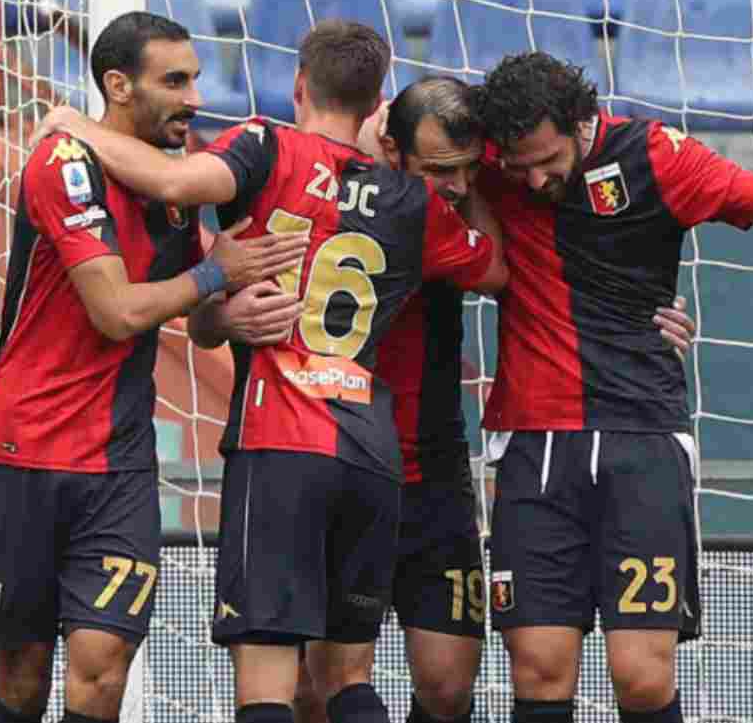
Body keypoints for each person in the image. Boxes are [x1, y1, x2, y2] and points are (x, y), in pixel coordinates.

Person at [30, 20, 509, 723]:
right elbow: (496, 267)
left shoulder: (264, 144)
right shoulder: (414, 204)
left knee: (268, 685)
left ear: (296, 86)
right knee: (348, 678)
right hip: (370, 449)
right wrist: (471, 189)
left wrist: (74, 124)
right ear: (380, 108)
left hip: (279, 439)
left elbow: (171, 178)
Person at [468, 50, 753, 723]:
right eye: (519, 165)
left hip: (643, 438)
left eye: (546, 158)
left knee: (641, 674)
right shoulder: (493, 153)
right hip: (533, 443)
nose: (534, 177)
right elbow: (395, 129)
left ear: (581, 120)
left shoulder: (656, 156)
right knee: (538, 665)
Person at [278, 76, 698, 723]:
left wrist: (640, 318)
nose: (459, 183)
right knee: (316, 686)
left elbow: (511, 265)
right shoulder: (329, 194)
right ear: (393, 148)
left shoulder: (453, 214)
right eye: (442, 170)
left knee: (447, 690)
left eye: (469, 169)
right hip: (337, 459)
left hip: (433, 474)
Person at [0, 11, 306, 723]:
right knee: (22, 681)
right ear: (118, 85)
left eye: (195, 79)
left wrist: (230, 311)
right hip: (23, 450)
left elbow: (196, 319)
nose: (193, 98)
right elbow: (115, 310)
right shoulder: (62, 164)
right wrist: (213, 277)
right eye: (173, 81)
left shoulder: (174, 188)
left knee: (101, 674)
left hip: (117, 463)